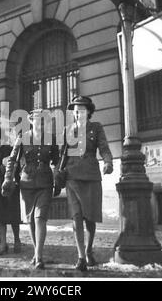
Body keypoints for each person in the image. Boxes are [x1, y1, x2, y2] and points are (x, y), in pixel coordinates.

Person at [59, 96, 113, 271]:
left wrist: (108, 162)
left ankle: (88, 251)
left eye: (82, 110)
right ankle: (81, 256)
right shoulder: (67, 130)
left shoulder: (96, 128)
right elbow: (62, 155)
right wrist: (57, 172)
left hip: (91, 176)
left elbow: (104, 147)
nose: (78, 113)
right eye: (76, 111)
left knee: (90, 218)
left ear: (88, 112)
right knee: (76, 217)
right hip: (72, 176)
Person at [2, 109, 59, 269]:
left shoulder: (52, 139)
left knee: (40, 218)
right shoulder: (23, 138)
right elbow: (12, 160)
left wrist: (58, 178)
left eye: (43, 120)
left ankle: (39, 256)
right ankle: (36, 253)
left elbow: (57, 162)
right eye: (37, 120)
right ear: (32, 121)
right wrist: (8, 177)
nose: (40, 123)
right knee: (30, 220)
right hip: (26, 183)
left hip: (45, 183)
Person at [0, 128, 22, 256]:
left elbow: (13, 167)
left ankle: (16, 241)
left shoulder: (8, 149)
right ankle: (3, 243)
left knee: (12, 216)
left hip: (9, 186)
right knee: (0, 216)